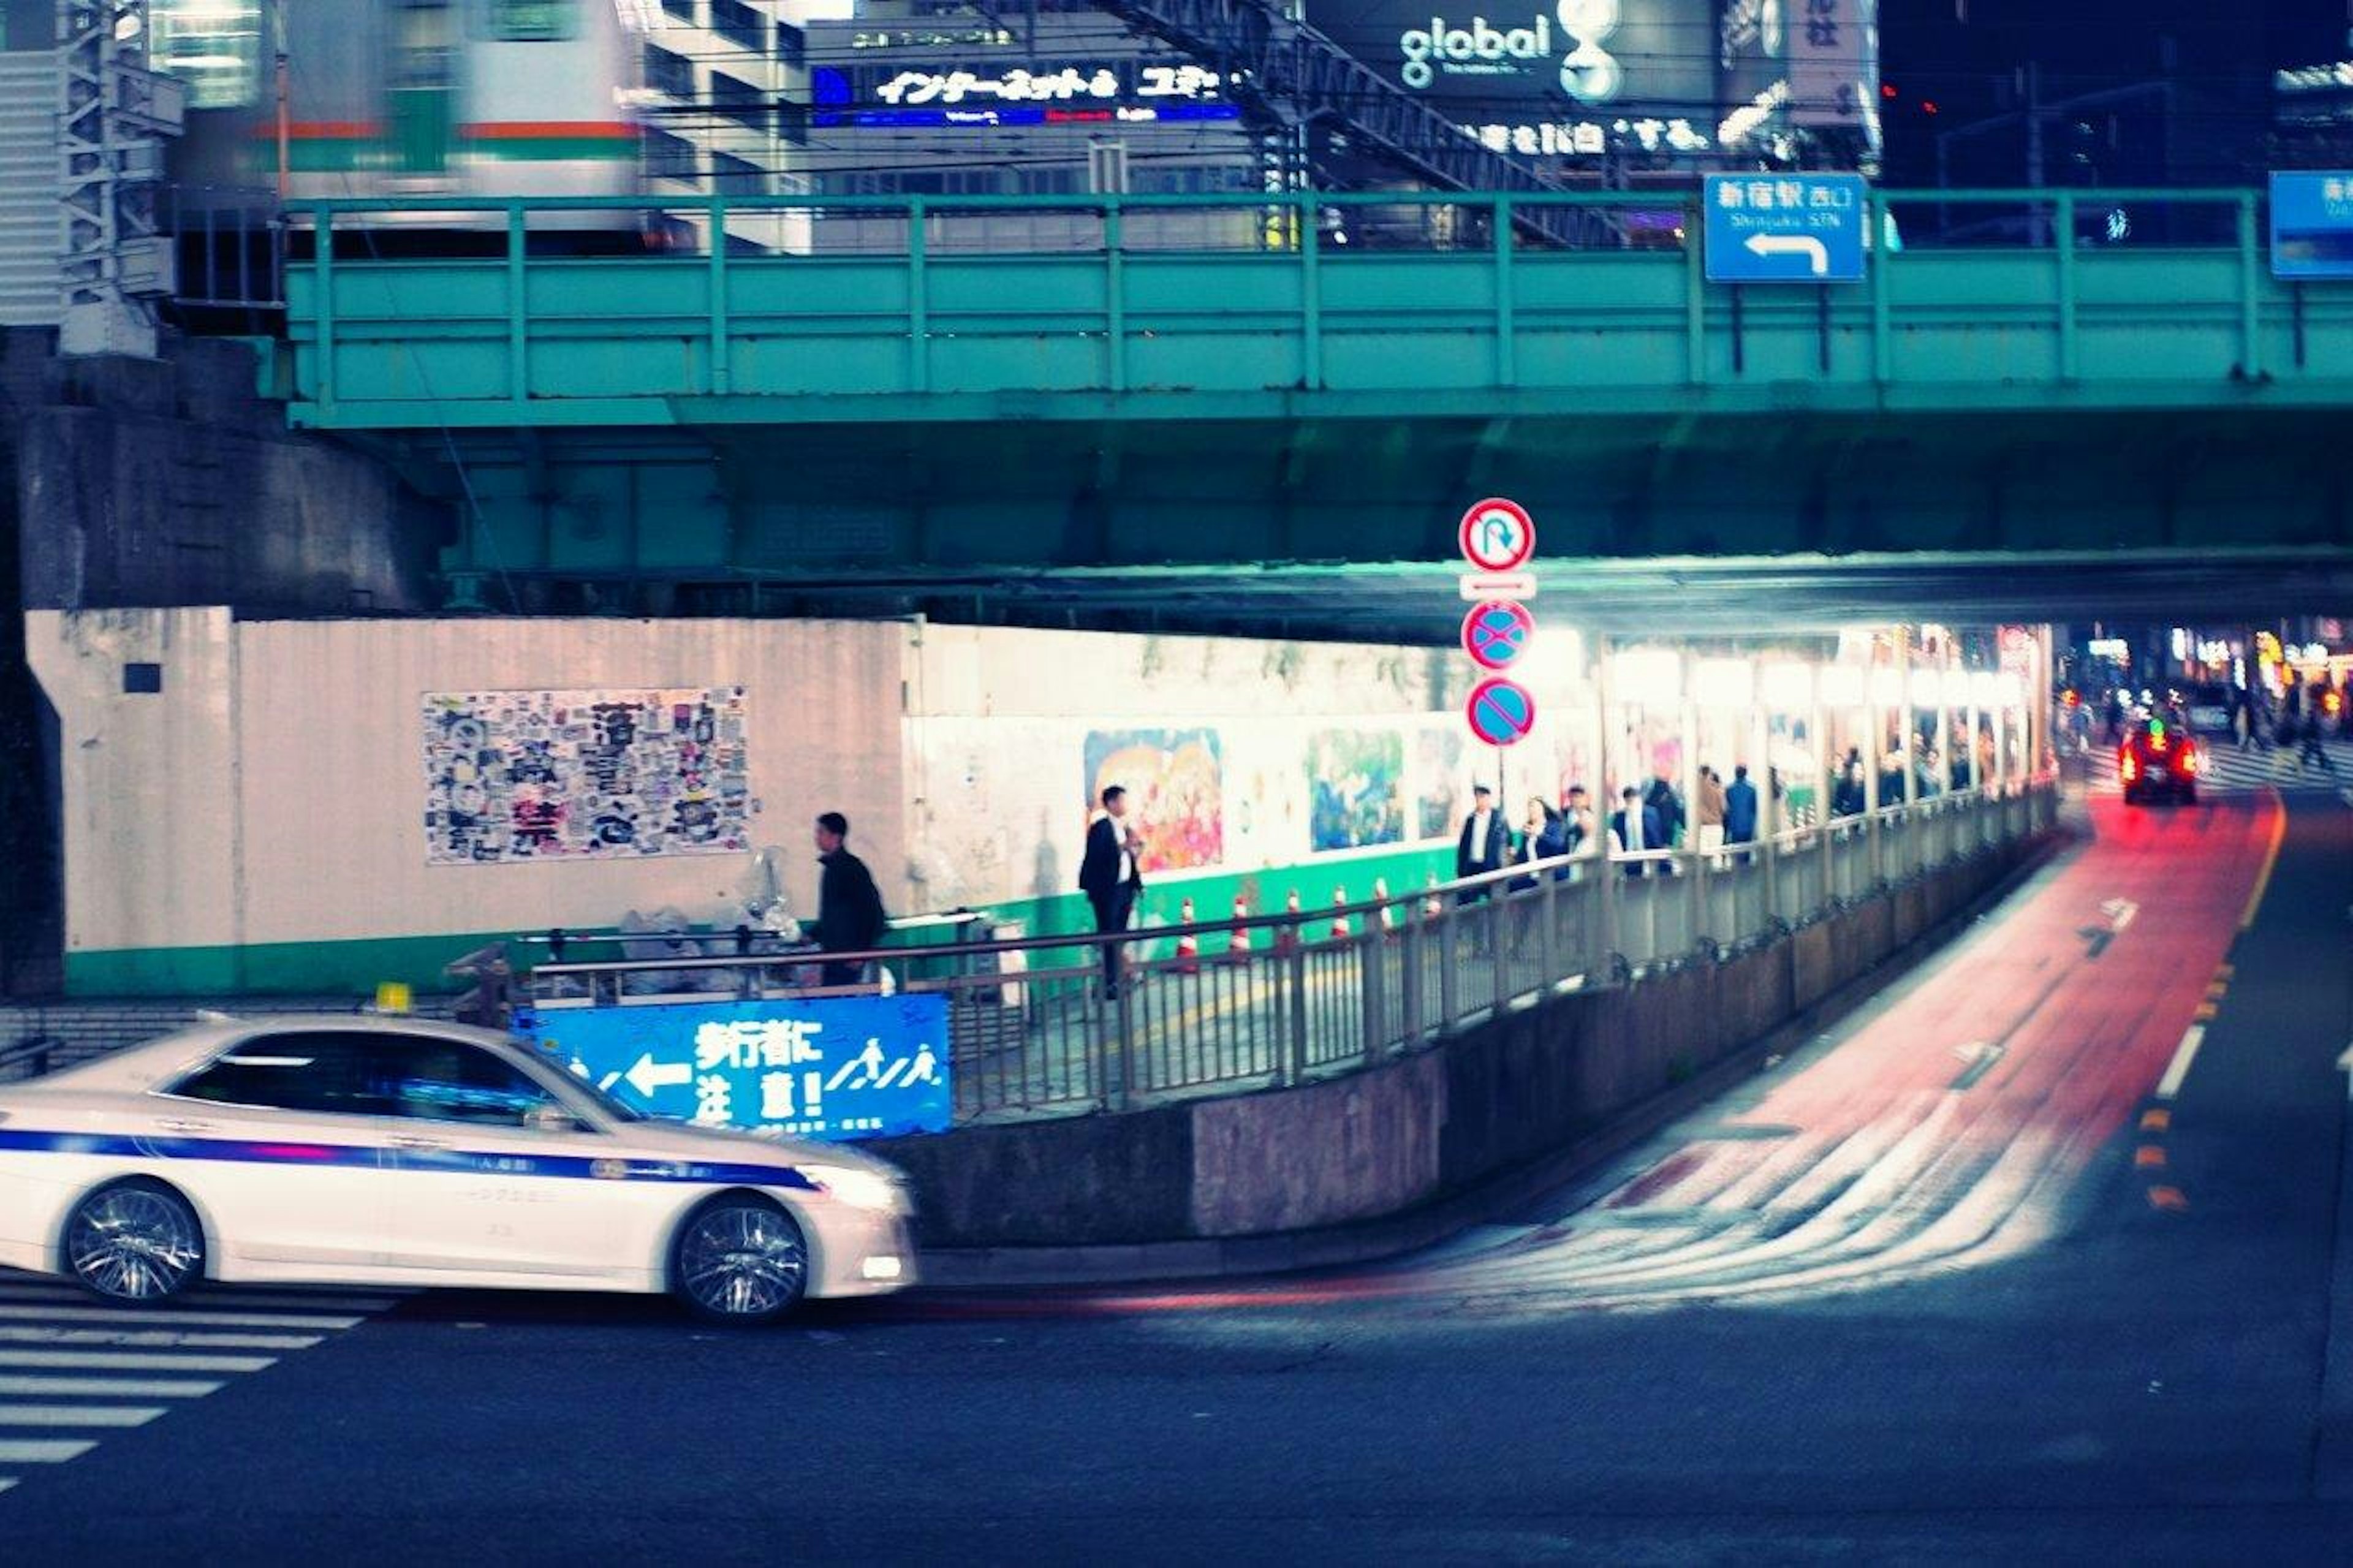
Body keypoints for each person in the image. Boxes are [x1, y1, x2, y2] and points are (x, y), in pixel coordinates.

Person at [1079, 785, 1144, 1000]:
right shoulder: (1101, 828)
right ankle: (1109, 983)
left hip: (1125, 888)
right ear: (1112, 803)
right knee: (1109, 936)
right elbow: (1098, 857)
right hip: (1107, 892)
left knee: (1121, 937)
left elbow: (1126, 857)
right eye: (1122, 801)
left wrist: (1135, 849)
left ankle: (1118, 978)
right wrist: (1124, 846)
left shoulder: (1124, 828)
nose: (1126, 805)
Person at [810, 811, 886, 988]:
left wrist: (862, 951)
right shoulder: (832, 869)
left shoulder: (852, 869)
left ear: (836, 836)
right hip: (834, 953)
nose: (817, 837)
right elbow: (834, 915)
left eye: (821, 832)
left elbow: (872, 912)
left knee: (841, 1000)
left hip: (848, 955)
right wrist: (813, 935)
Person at [1456, 784, 1509, 901]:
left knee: (1495, 900)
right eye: (1478, 797)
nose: (1480, 800)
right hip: (1473, 866)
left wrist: (1503, 866)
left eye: (1483, 797)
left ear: (1489, 798)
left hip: (1492, 866)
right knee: (1469, 901)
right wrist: (1460, 869)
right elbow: (1463, 846)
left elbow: (1507, 844)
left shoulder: (1499, 819)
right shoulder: (1471, 819)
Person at [1610, 786, 1662, 877]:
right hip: (1628, 857)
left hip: (1647, 856)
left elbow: (1656, 834)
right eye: (1628, 799)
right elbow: (1618, 838)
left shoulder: (1651, 813)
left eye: (1633, 797)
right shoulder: (1619, 817)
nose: (1631, 800)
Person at [1724, 764, 1759, 857]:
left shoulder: (1729, 789)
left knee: (1736, 851)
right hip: (1749, 823)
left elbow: (1728, 806)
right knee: (1747, 850)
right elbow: (1755, 808)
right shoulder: (1752, 789)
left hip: (1735, 824)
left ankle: (1738, 869)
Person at [1695, 766, 1727, 860]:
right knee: (1716, 858)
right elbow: (1724, 808)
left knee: (1703, 858)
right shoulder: (1718, 789)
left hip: (1702, 827)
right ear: (1710, 774)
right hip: (1716, 826)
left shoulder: (1695, 790)